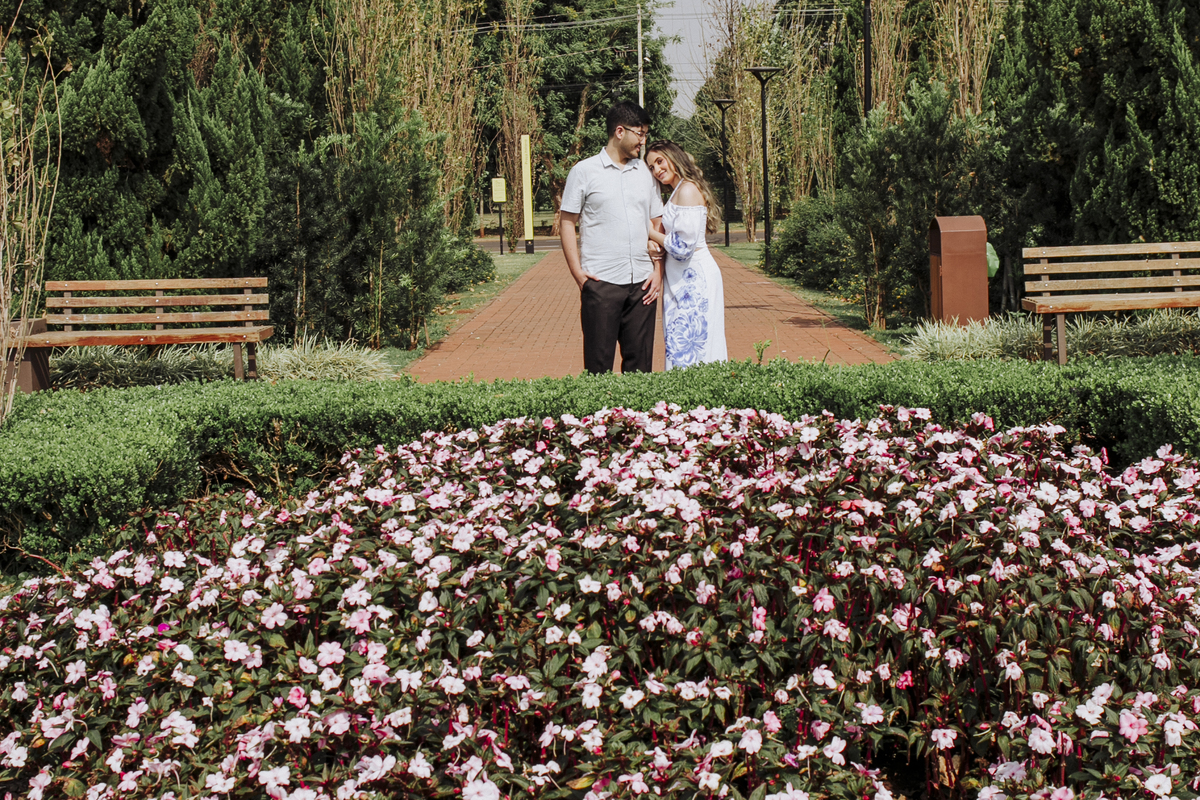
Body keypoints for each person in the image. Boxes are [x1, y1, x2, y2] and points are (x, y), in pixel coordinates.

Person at [560, 101, 664, 375]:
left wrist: (657, 270)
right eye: (640, 134)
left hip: (643, 285)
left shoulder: (645, 173)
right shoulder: (583, 171)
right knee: (598, 369)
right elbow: (567, 222)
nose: (643, 141)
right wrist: (578, 274)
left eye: (645, 134)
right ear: (620, 131)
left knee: (640, 370)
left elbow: (656, 222)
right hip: (601, 283)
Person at [643, 140, 727, 369]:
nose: (657, 170)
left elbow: (682, 248)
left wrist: (648, 232)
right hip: (680, 279)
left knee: (695, 348)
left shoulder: (687, 190)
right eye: (651, 167)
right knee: (679, 345)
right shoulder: (678, 190)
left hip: (695, 279)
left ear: (674, 157)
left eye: (660, 161)